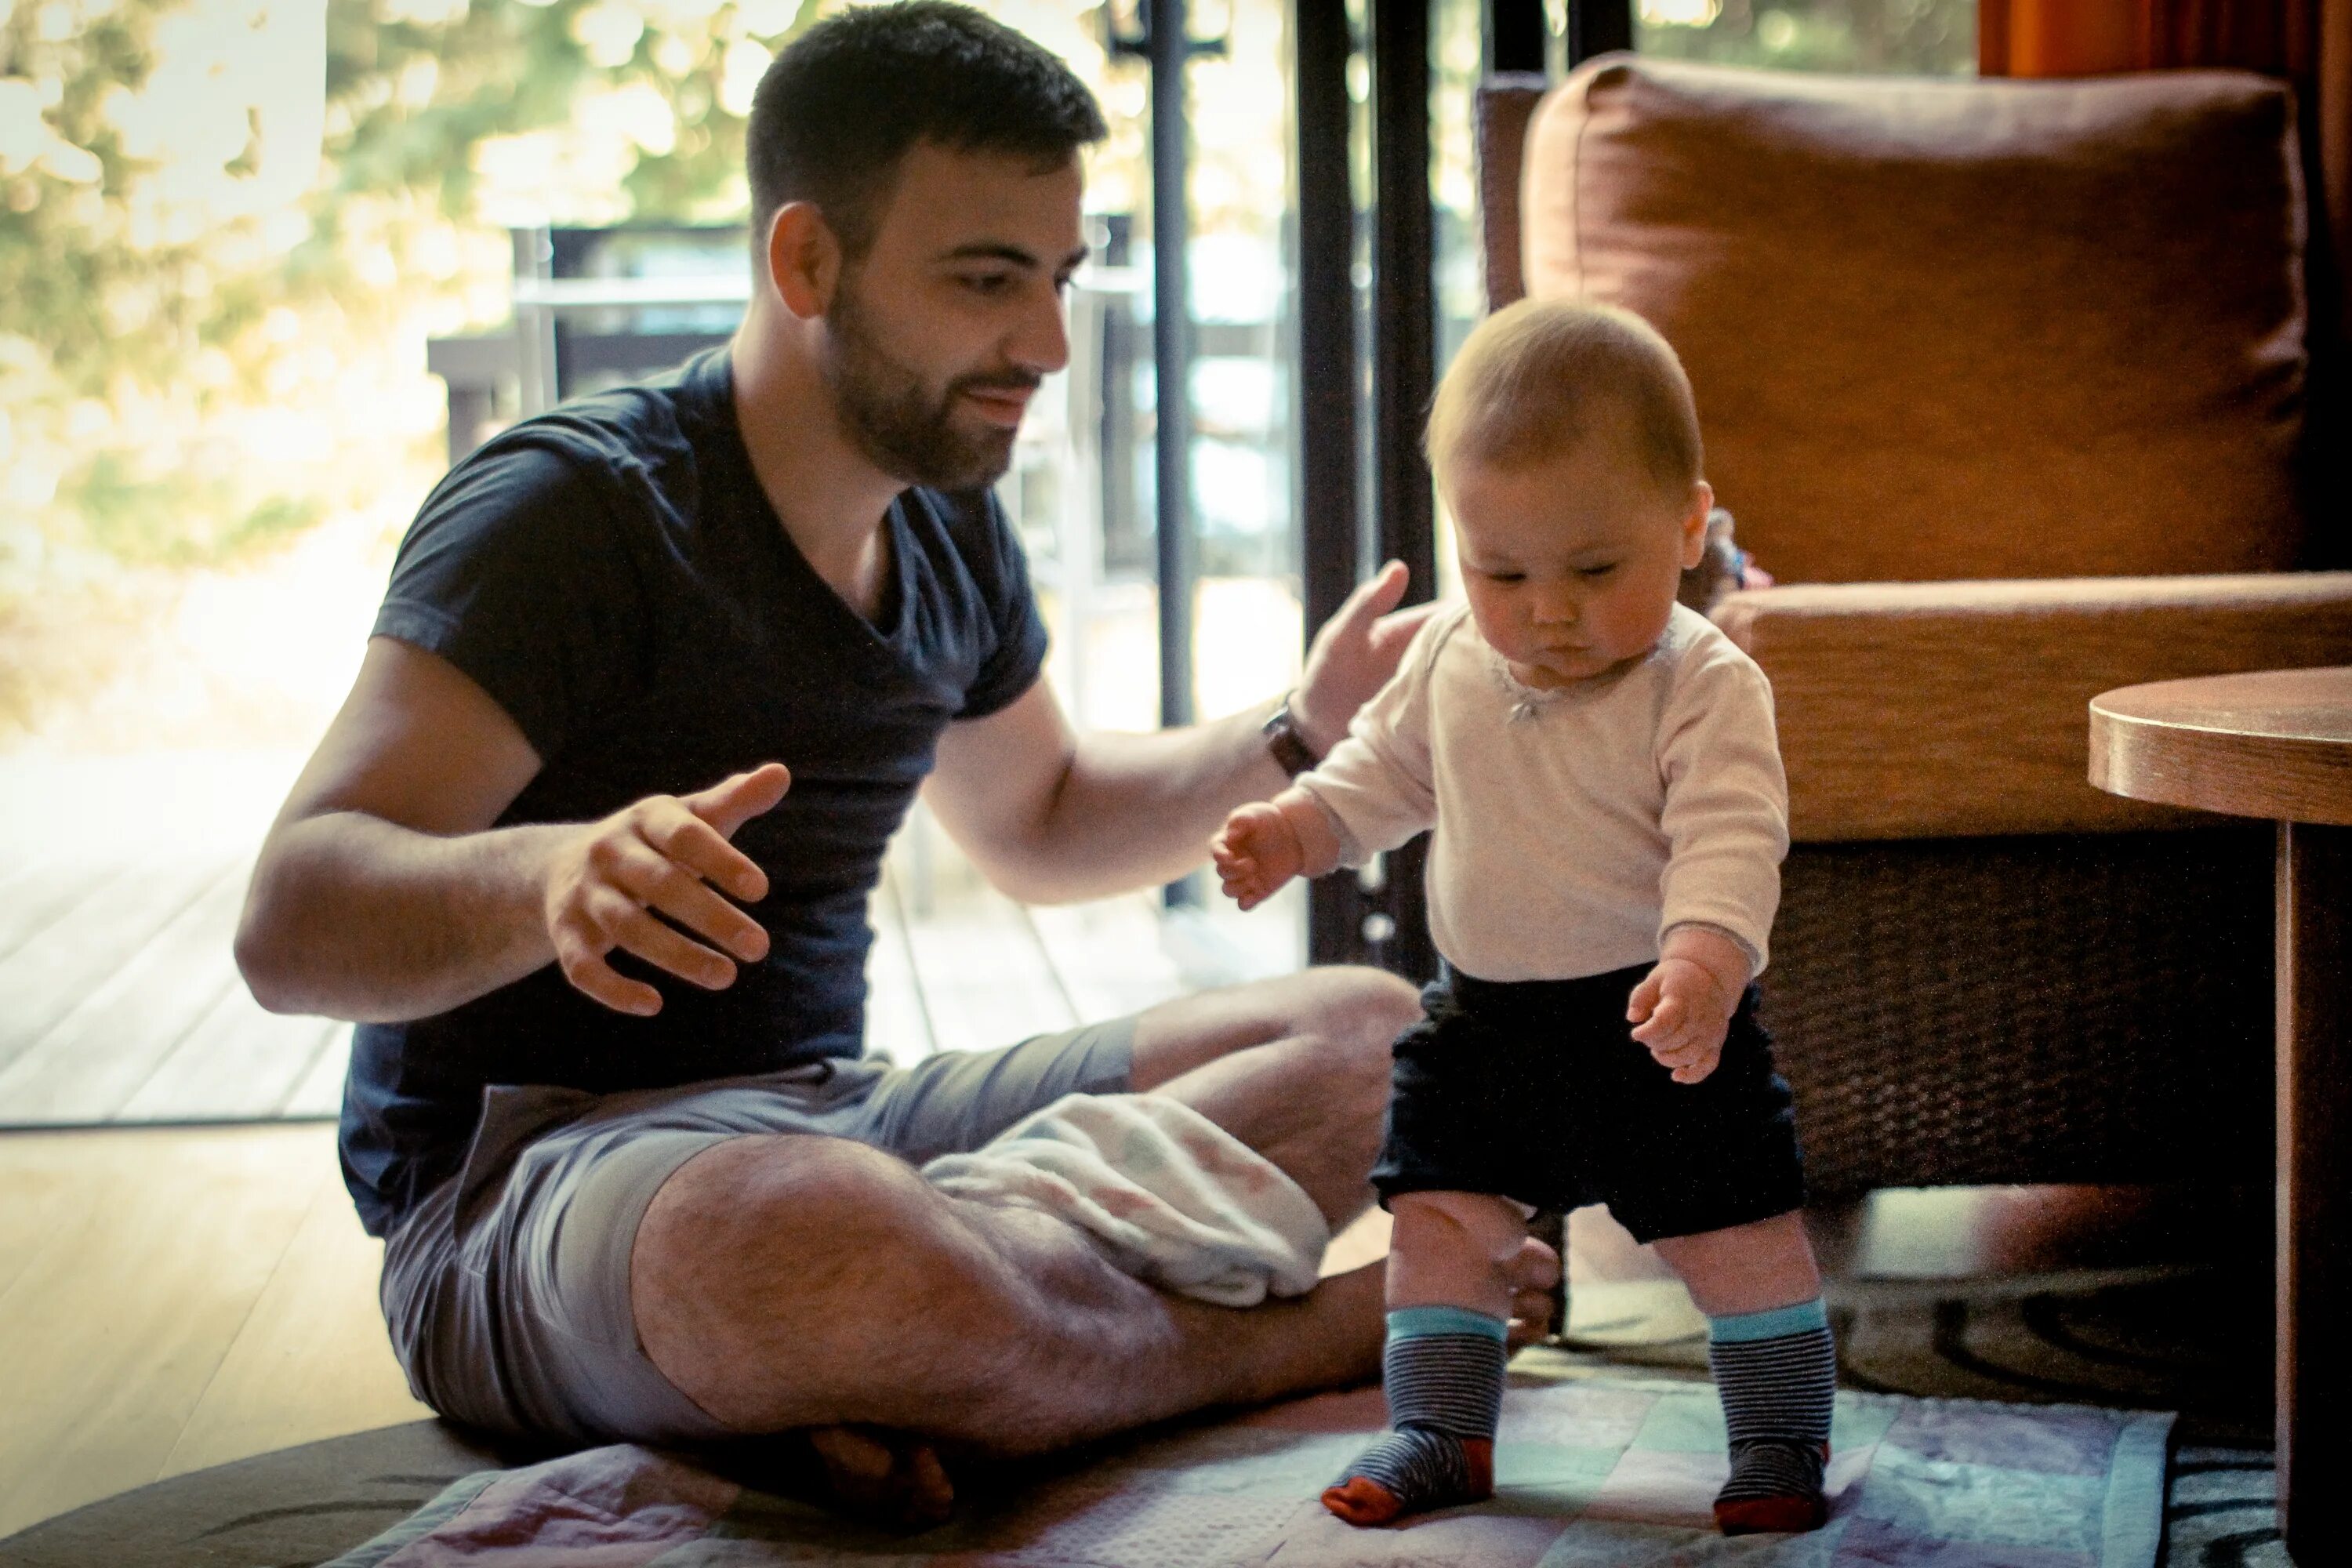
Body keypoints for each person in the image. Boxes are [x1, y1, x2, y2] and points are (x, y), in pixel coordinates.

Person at [232, 2, 1554, 1524]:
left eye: (1060, 278)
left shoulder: (942, 515)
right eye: (989, 281)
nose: (1048, 345)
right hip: (526, 1186)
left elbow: (1045, 823)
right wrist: (552, 876)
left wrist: (1305, 729)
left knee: (1383, 1039)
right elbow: (290, 923)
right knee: (795, 1236)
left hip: (840, 1120)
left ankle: (934, 1348)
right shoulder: (570, 516)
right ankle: (1273, 1344)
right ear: (807, 262)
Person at [1211, 299, 1836, 1536]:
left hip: (1662, 1025)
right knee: (1441, 1224)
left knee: (1739, 1234)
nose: (1547, 610)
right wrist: (1294, 832)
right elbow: (1380, 779)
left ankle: (1777, 1437)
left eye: (1596, 571)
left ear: (1690, 525)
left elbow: (1732, 837)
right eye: (1501, 572)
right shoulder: (1449, 657)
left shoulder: (1702, 684)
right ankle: (1441, 1429)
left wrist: (1703, 964)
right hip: (1485, 1025)